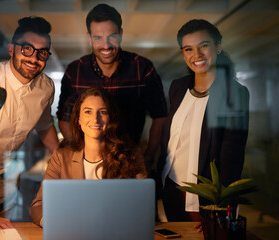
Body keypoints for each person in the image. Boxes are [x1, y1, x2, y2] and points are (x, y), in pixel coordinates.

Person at [0, 16, 59, 230]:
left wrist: (64, 158)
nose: (34, 59)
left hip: (8, 178)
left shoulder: (45, 87)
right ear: (11, 49)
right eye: (27, 49)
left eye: (42, 52)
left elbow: (44, 125)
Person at [157, 19, 249, 225]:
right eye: (188, 49)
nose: (196, 55)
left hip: (206, 201)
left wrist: (221, 204)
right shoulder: (178, 87)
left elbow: (232, 155)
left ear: (218, 46)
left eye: (203, 46)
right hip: (171, 189)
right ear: (183, 53)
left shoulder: (235, 94)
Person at [56, 3, 167, 172]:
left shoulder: (143, 69)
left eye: (112, 36)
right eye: (98, 38)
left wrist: (149, 156)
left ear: (121, 34)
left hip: (131, 162)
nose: (106, 45)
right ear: (89, 37)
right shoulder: (75, 71)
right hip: (87, 164)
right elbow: (63, 119)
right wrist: (79, 153)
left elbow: (160, 117)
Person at [31, 87, 147, 227]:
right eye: (88, 112)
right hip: (73, 232)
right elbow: (38, 205)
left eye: (102, 112)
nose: (95, 119)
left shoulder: (131, 155)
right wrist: (51, 223)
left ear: (111, 118)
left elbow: (144, 206)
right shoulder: (61, 157)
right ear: (79, 119)